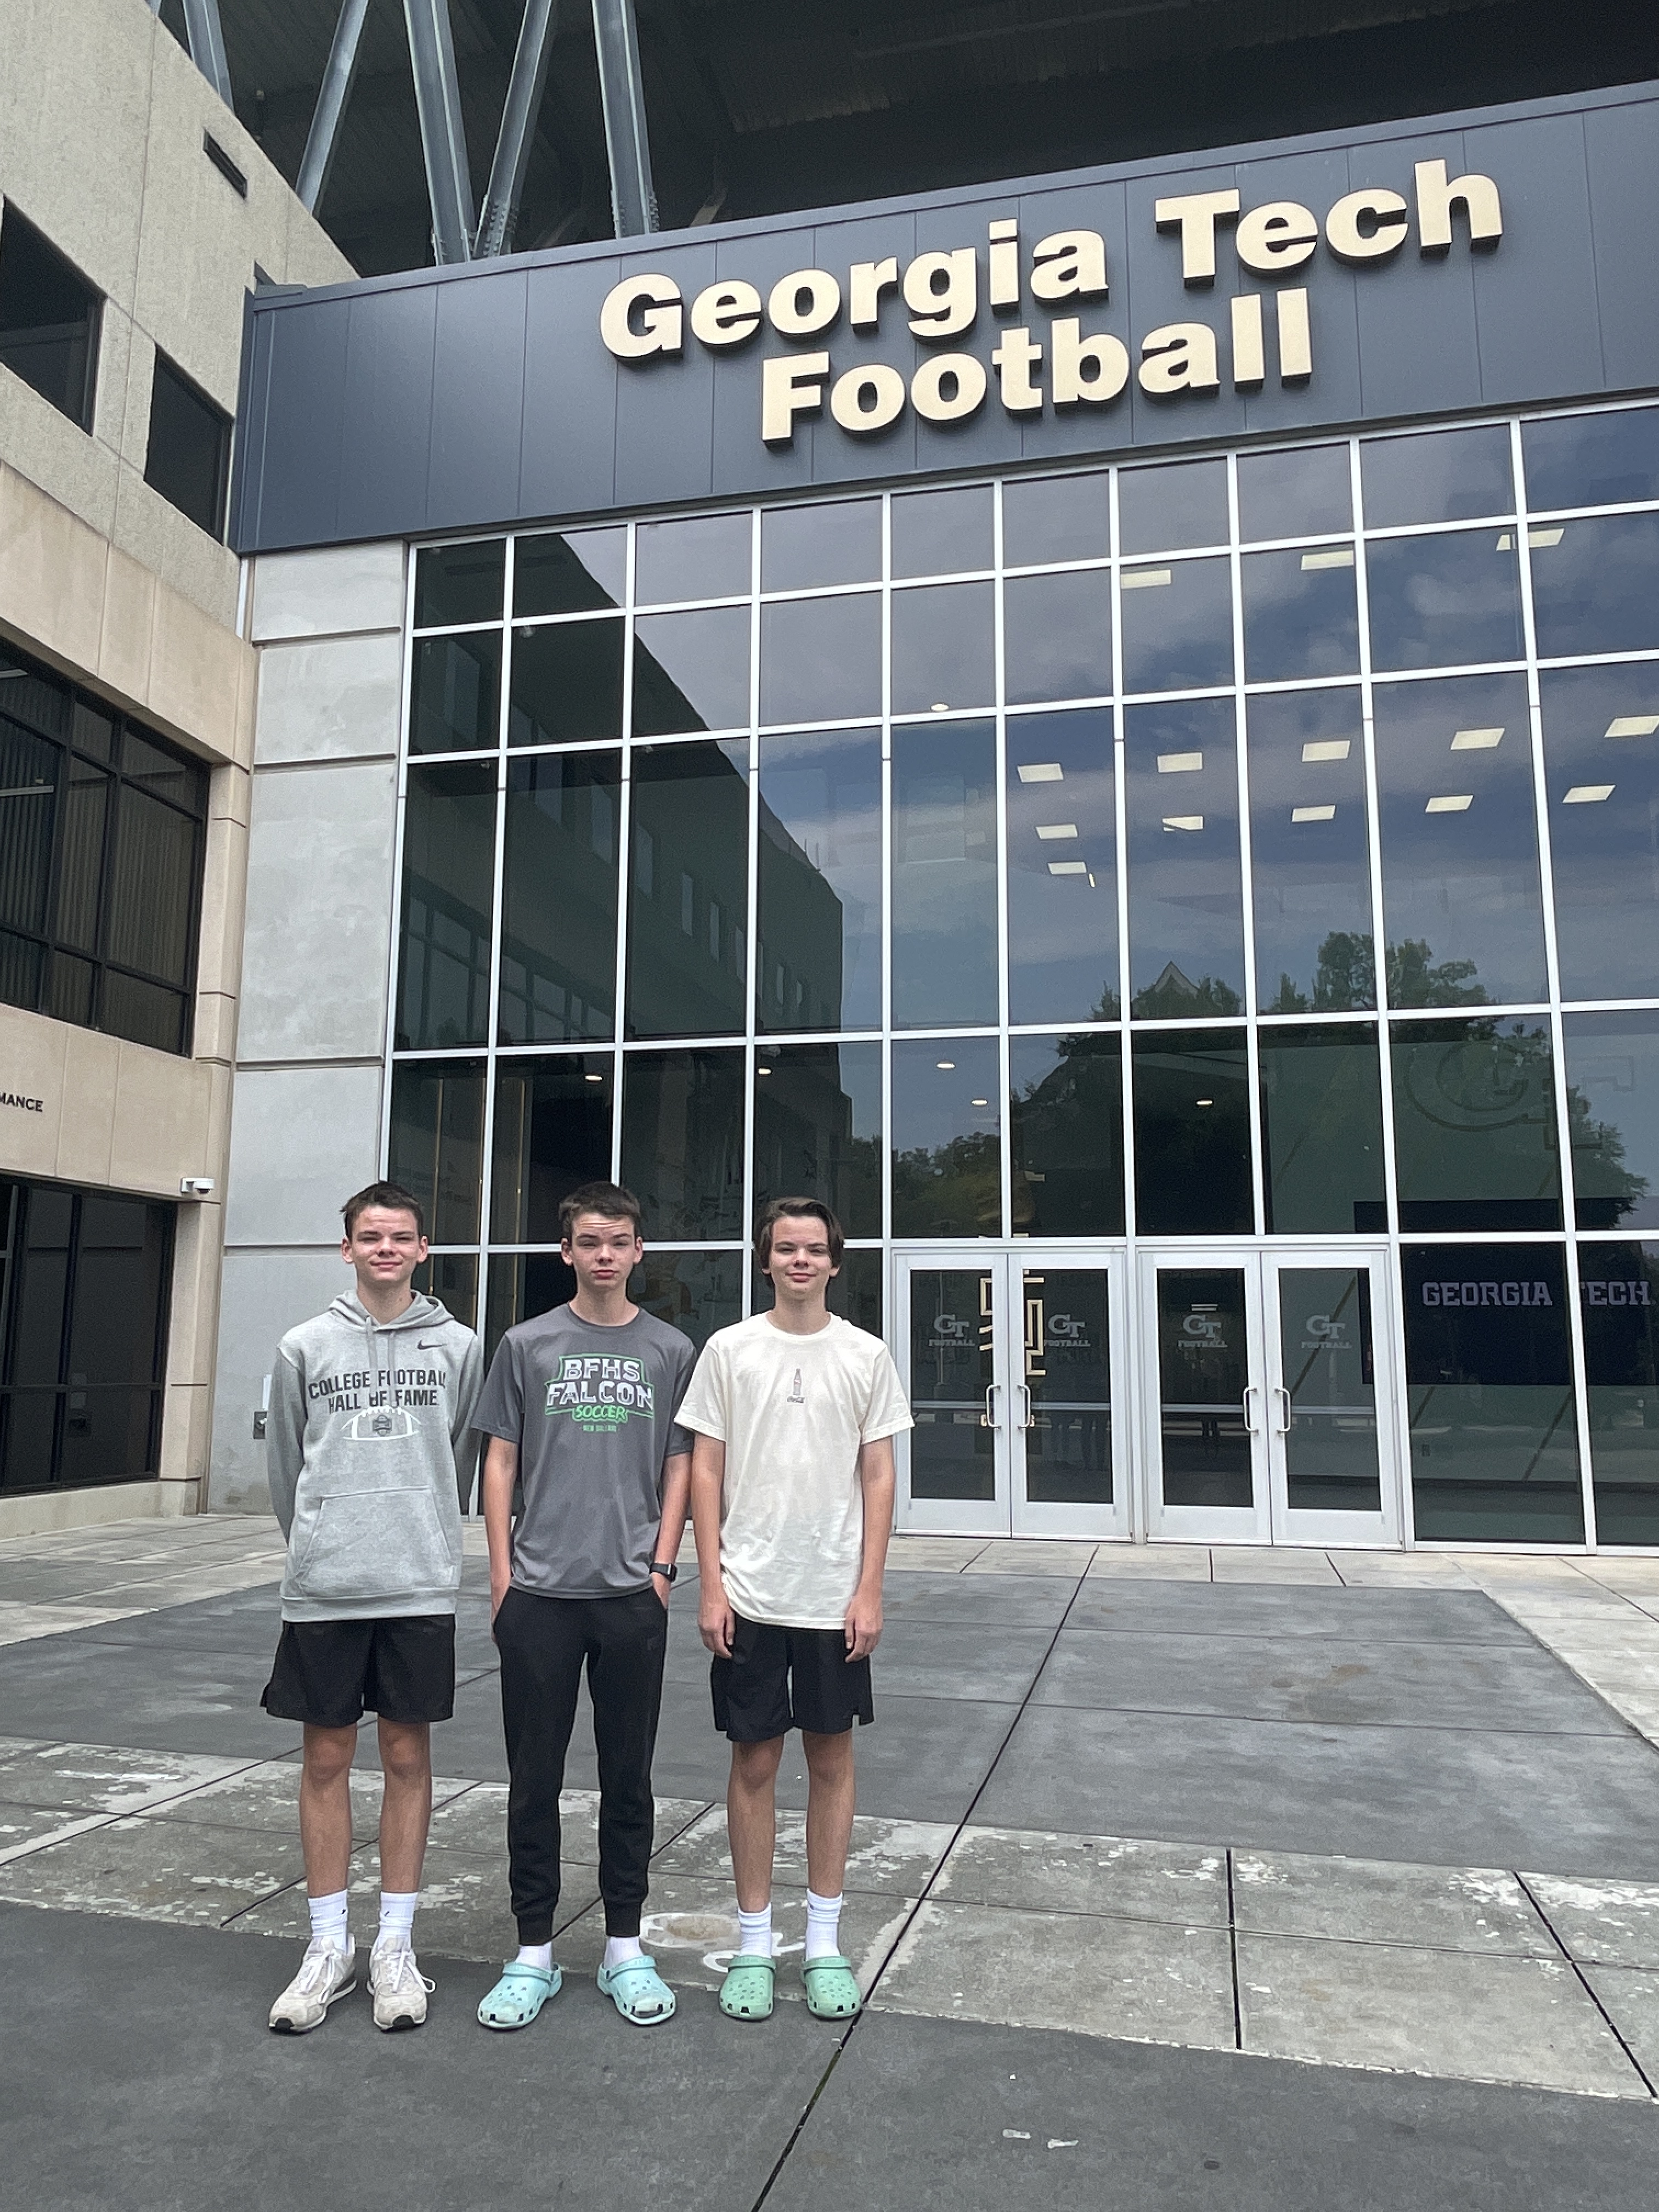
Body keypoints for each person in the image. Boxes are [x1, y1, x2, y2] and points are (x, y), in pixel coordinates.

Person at [680, 1198, 912, 2023]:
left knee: (831, 1762)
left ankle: (822, 1944)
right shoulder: (730, 1349)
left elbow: (879, 1475)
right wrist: (710, 1584)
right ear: (765, 1260)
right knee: (753, 1764)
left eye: (814, 1249)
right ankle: (753, 1944)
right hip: (751, 1592)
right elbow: (706, 1469)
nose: (800, 1261)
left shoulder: (865, 1354)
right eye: (786, 1249)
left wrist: (870, 1587)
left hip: (831, 1597)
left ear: (835, 1262)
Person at [471, 1181, 695, 2032]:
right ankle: (532, 1950)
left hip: (632, 1595)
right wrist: (501, 1575)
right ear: (566, 1251)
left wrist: (663, 1567)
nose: (605, 1255)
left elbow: (681, 1463)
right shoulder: (526, 1344)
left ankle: (623, 1947)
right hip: (539, 1594)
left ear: (640, 1251)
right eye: (590, 1242)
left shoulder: (671, 1349)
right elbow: (499, 1461)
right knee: (532, 1779)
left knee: (627, 1778)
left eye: (619, 1241)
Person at [262, 1181, 483, 2035]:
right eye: (371, 1236)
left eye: (400, 1237)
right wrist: (319, 1544)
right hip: (326, 1588)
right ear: (347, 1248)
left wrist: (419, 1529)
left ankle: (394, 1946)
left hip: (416, 1584)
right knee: (324, 1760)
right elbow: (287, 1469)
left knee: (405, 1756)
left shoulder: (459, 1347)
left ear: (423, 1249)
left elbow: (460, 1458)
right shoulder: (303, 1346)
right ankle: (329, 1946)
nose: (385, 1249)